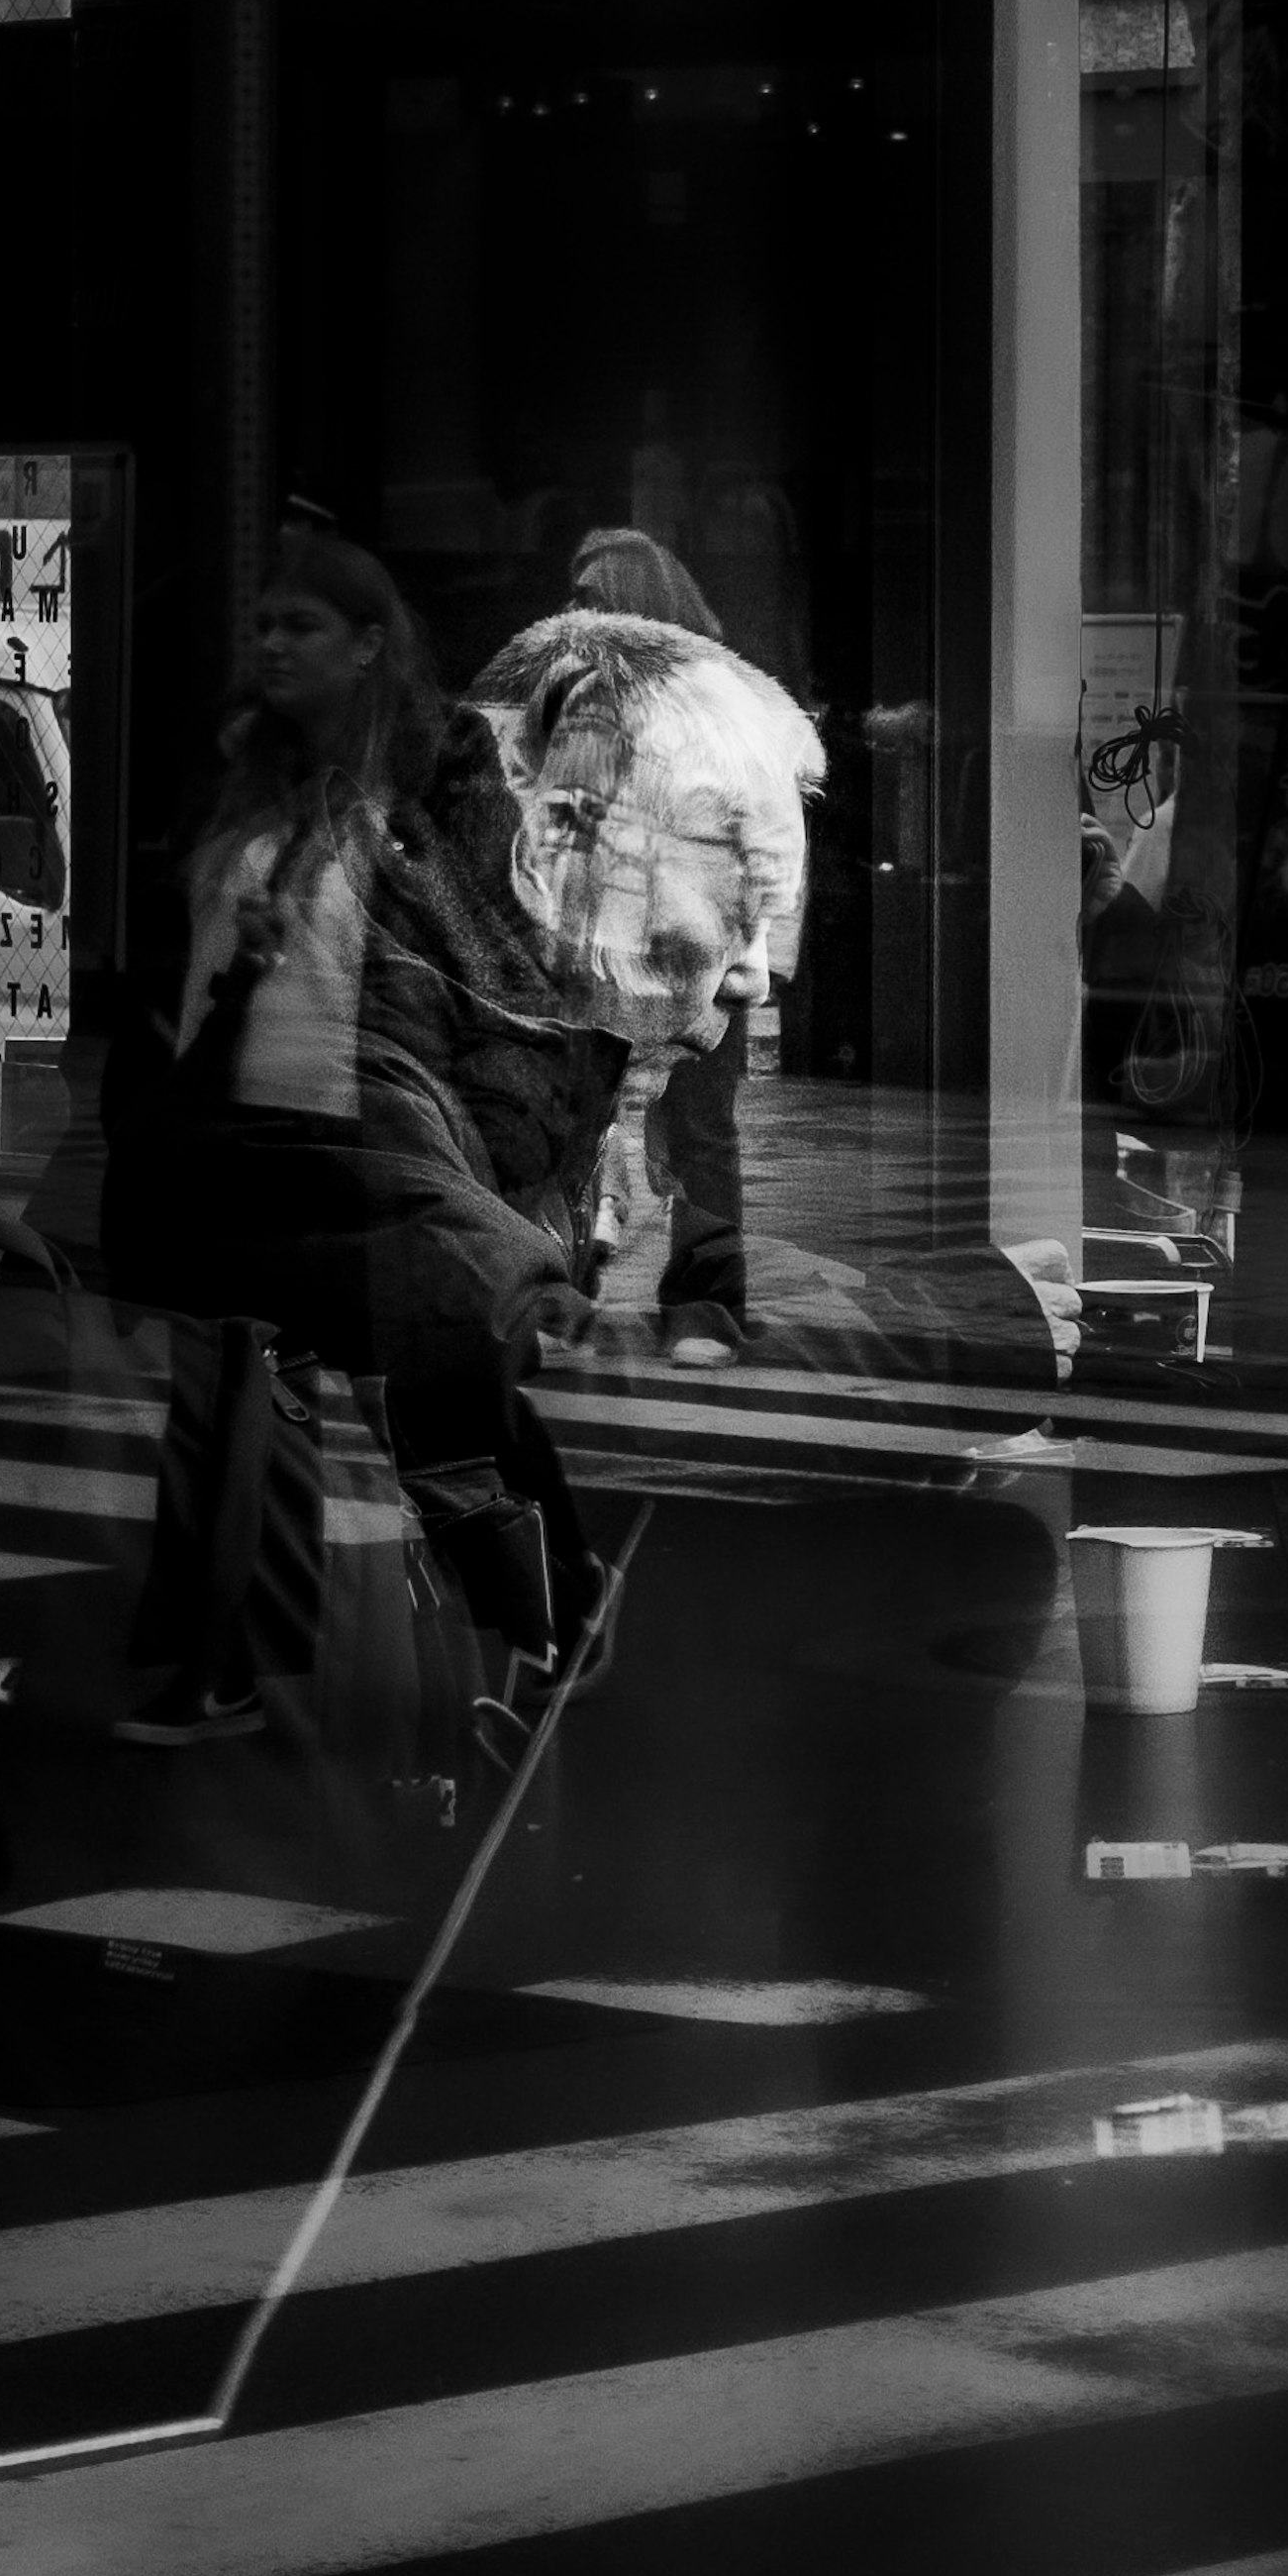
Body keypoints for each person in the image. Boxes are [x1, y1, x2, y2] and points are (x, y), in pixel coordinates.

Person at [103, 518, 615, 1747]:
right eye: (265, 625)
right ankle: (220, 1661)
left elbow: (511, 984)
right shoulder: (244, 777)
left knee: (439, 1390)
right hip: (243, 1138)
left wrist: (486, 1162)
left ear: (370, 646)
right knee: (225, 1396)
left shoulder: (443, 787)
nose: (272, 646)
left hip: (383, 1142)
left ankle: (564, 1605)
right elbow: (178, 969)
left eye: (303, 627)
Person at [561, 527, 753, 1353]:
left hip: (693, 944)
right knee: (570, 1116)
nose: (574, 611)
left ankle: (705, 1306)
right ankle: (561, 1288)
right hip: (602, 944)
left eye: (594, 596)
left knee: (699, 1128)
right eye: (573, 595)